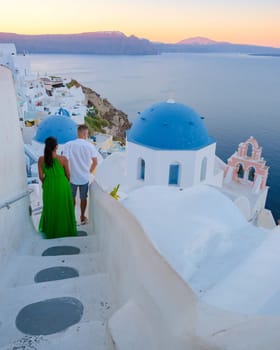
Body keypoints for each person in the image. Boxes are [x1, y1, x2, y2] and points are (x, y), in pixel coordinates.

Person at [38, 137, 77, 238]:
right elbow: (68, 175)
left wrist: (46, 182)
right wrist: (65, 182)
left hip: (49, 185)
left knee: (50, 207)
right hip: (62, 185)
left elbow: (41, 176)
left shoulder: (41, 160)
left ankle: (52, 231)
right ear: (56, 146)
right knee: (63, 207)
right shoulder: (63, 159)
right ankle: (65, 230)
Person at [63, 124, 98, 224]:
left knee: (71, 198)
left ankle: (71, 217)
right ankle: (82, 217)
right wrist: (89, 172)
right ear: (85, 134)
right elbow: (95, 162)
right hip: (84, 178)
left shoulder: (68, 145)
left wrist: (67, 174)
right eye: (86, 133)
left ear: (78, 133)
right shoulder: (90, 146)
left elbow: (65, 161)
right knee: (83, 198)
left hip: (72, 177)